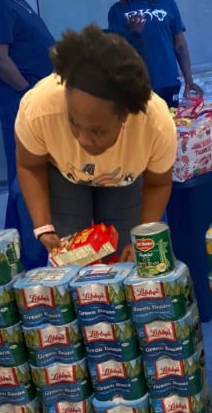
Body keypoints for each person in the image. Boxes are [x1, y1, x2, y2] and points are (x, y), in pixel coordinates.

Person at [15, 25, 176, 260]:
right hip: (62, 173)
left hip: (124, 178)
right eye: (73, 122)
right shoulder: (41, 108)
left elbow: (158, 184)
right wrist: (43, 227)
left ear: (126, 115)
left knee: (127, 255)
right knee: (73, 259)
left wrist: (144, 236)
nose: (82, 139)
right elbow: (29, 165)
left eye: (97, 130)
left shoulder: (155, 125)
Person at [0, 0, 56, 259]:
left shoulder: (17, 2)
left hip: (38, 97)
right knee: (25, 169)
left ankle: (33, 237)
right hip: (20, 100)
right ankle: (27, 250)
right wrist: (28, 94)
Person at [106, 0, 204, 108]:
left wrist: (188, 80)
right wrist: (133, 35)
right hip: (136, 85)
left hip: (168, 80)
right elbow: (117, 53)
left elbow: (179, 45)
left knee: (171, 127)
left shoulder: (167, 3)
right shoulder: (116, 11)